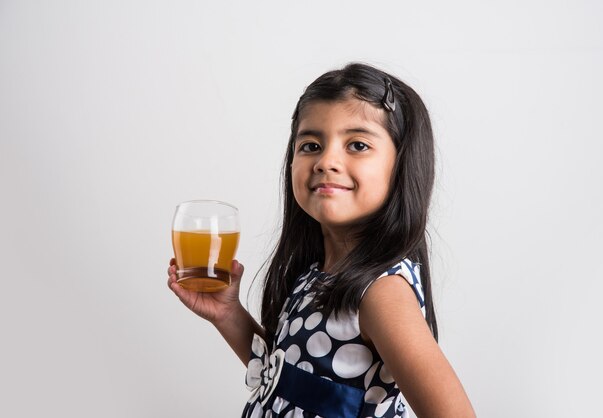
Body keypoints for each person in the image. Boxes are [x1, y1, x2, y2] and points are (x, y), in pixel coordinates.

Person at [168, 63, 476, 418]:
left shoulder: (381, 292)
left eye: (357, 145)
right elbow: (289, 382)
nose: (326, 161)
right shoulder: (317, 273)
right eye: (311, 145)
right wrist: (229, 316)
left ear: (401, 165)